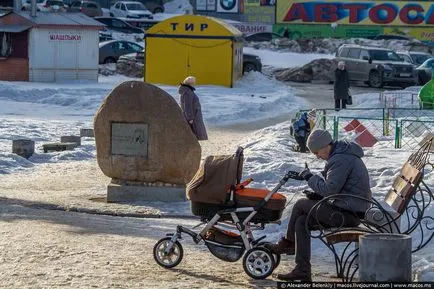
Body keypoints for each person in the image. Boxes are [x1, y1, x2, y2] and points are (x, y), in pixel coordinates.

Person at [265, 129, 371, 282]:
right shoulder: (341, 155)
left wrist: (309, 177)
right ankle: (302, 270)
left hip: (349, 214)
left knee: (300, 204)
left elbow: (330, 189)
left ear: (325, 146)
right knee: (301, 222)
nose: (316, 156)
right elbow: (336, 188)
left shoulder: (340, 159)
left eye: (316, 152)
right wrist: (317, 195)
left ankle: (289, 244)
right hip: (349, 209)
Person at [179, 76, 208, 141]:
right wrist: (190, 118)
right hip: (193, 117)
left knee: (192, 135)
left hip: (193, 116)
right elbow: (187, 106)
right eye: (193, 82)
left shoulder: (187, 91)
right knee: (193, 134)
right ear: (189, 83)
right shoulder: (188, 92)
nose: (194, 83)